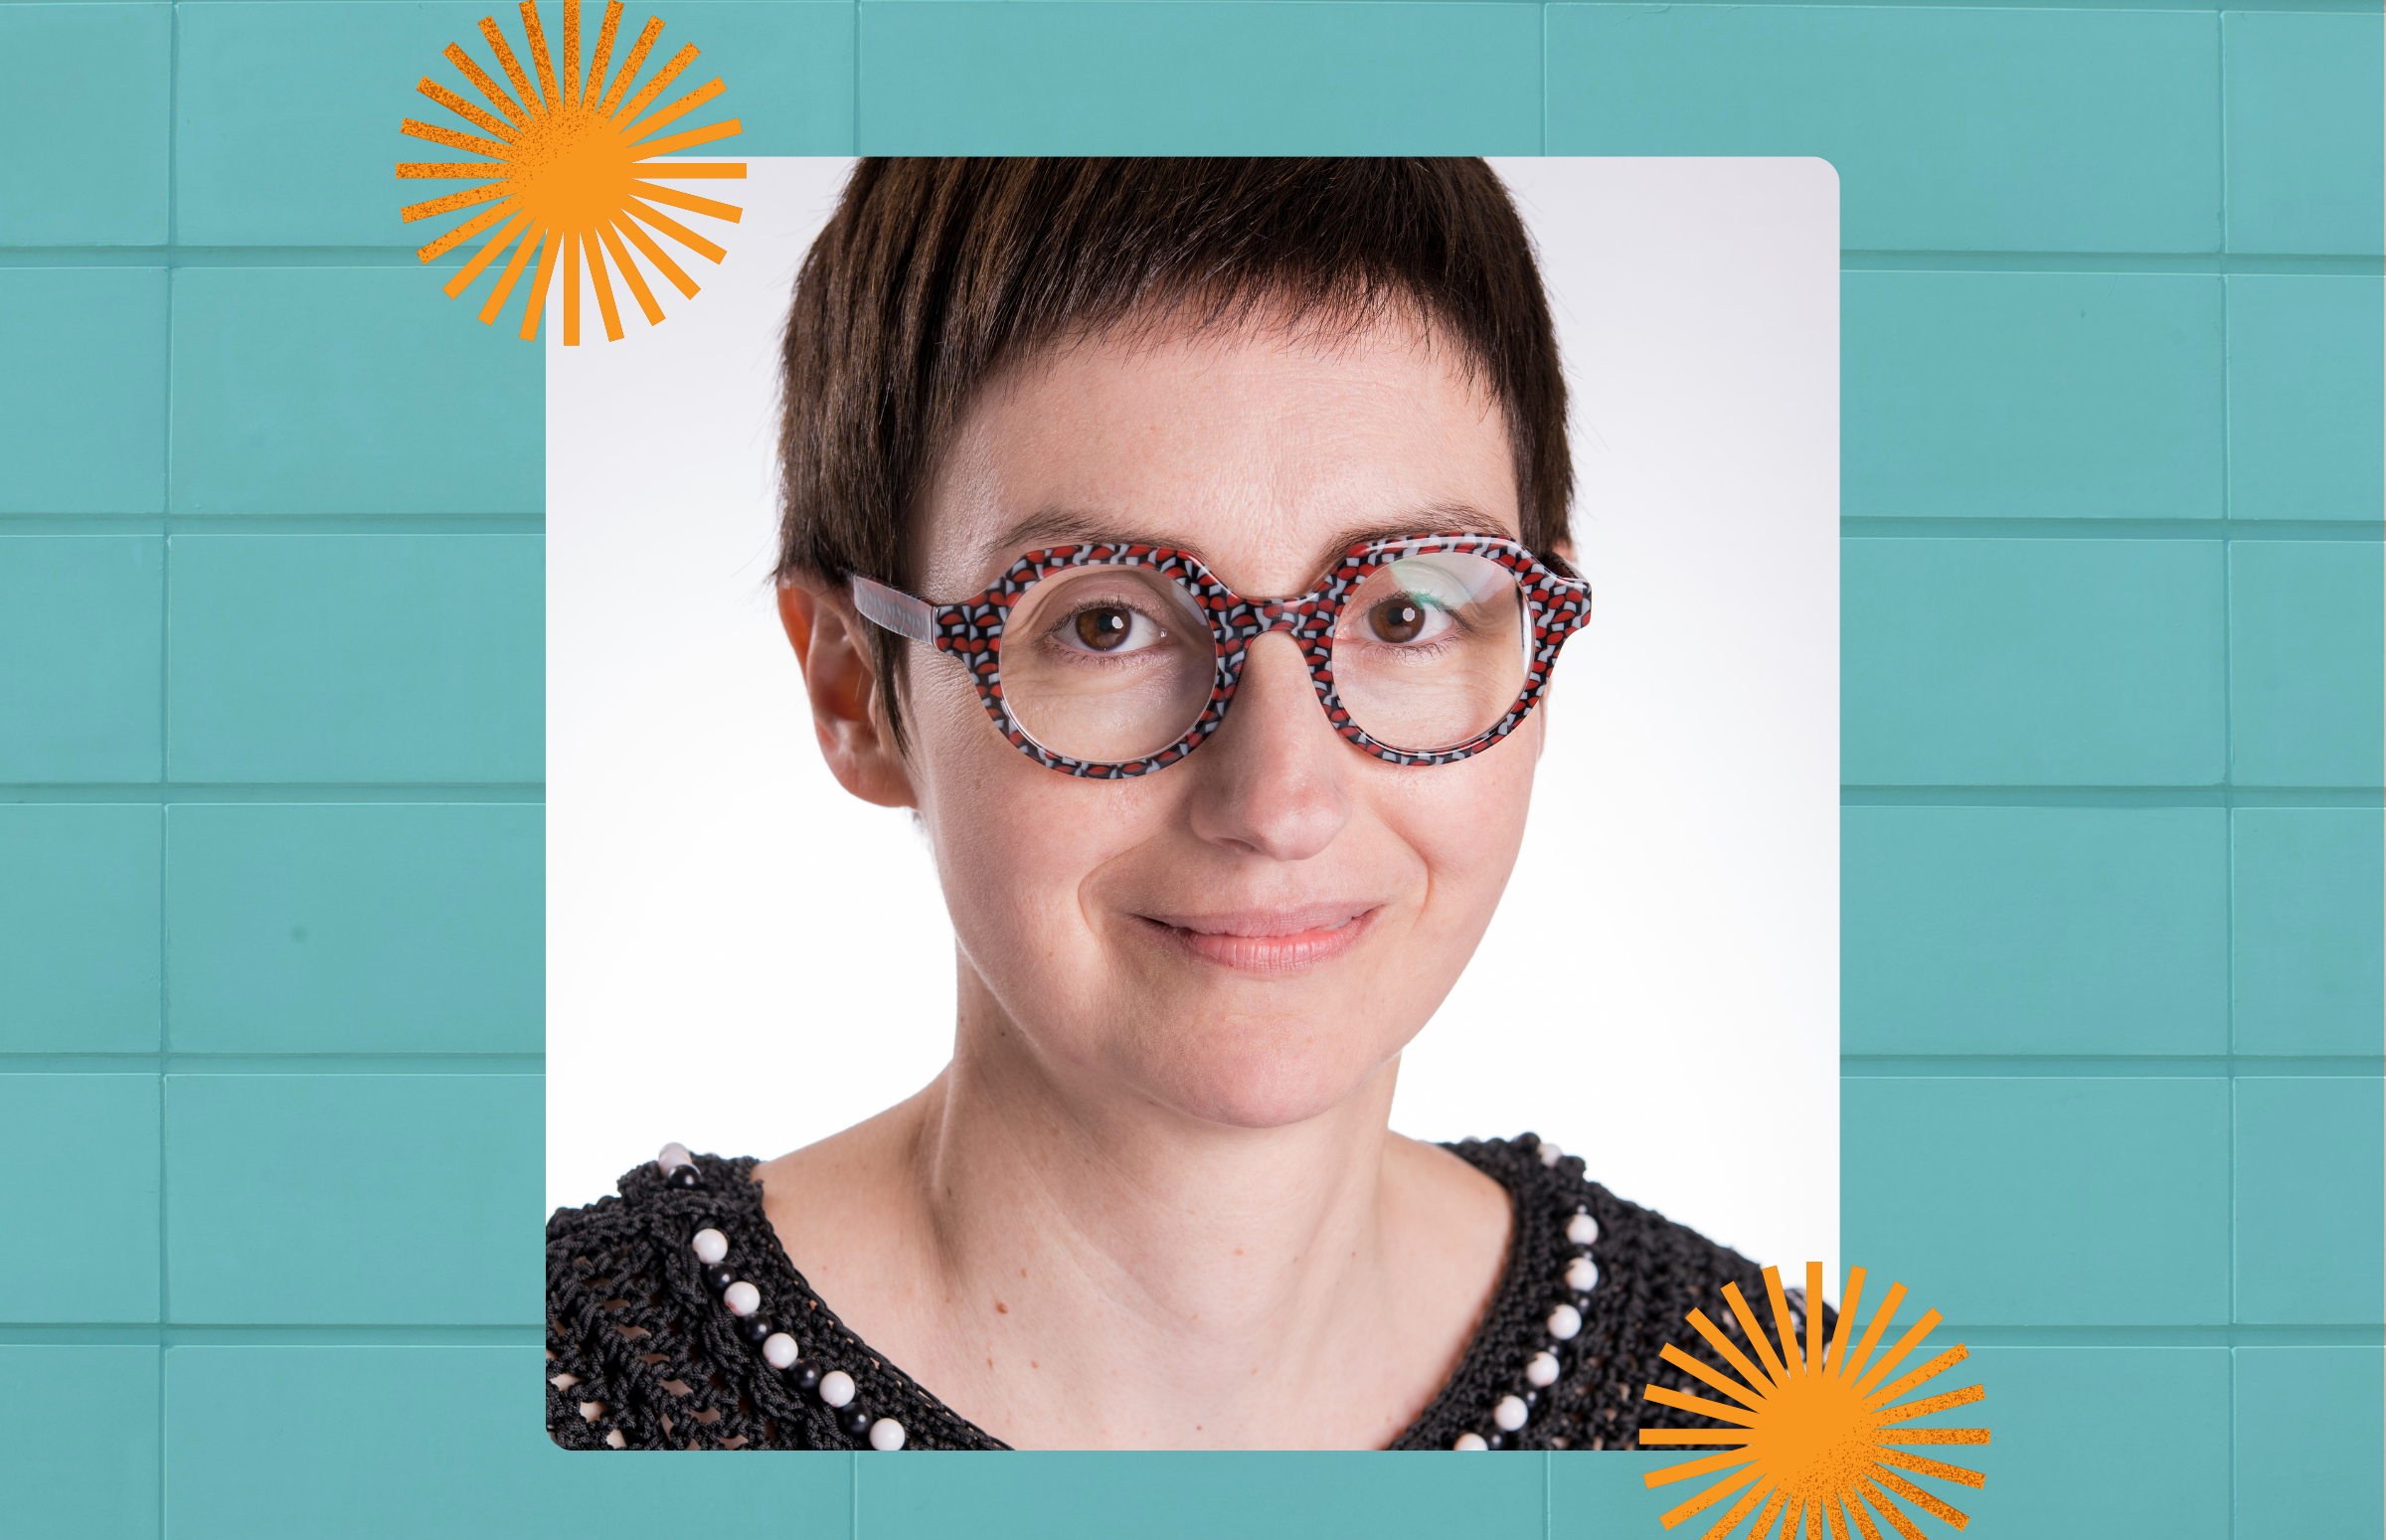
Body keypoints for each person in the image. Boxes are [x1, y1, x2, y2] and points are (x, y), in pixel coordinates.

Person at [547, 157, 1804, 1453]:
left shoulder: (1763, 1420)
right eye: (1104, 622)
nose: (1280, 800)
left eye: (1403, 611)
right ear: (855, 690)